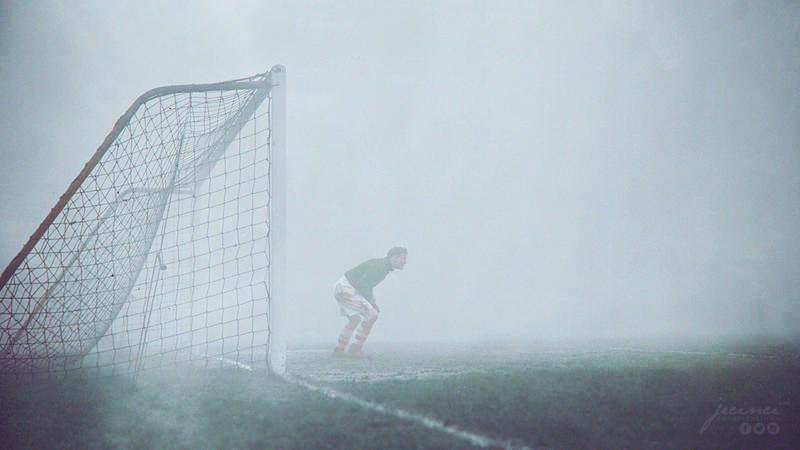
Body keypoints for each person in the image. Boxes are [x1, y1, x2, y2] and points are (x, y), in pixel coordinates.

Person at [333, 247, 407, 359]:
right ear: (394, 257)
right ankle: (355, 349)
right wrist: (372, 303)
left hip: (343, 286)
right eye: (403, 258)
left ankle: (339, 349)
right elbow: (363, 285)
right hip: (347, 288)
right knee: (372, 314)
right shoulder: (380, 267)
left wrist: (372, 302)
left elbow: (366, 285)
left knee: (355, 319)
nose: (405, 262)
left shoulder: (382, 265)